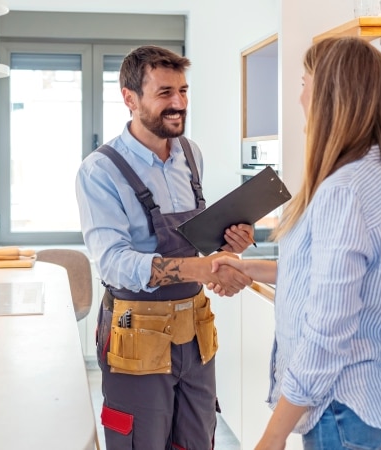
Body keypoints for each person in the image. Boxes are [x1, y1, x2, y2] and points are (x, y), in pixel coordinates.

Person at [211, 37, 381, 450]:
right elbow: (332, 281)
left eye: (305, 82)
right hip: (373, 405)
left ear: (329, 96)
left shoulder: (343, 190)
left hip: (341, 408)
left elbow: (328, 330)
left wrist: (273, 435)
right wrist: (251, 268)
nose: (300, 96)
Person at [75, 45, 254, 449]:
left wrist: (227, 243)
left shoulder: (191, 155)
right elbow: (115, 264)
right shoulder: (100, 171)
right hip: (137, 338)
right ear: (129, 98)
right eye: (164, 93)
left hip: (195, 334)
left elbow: (194, 241)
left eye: (184, 91)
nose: (178, 104)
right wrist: (203, 269)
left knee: (197, 440)